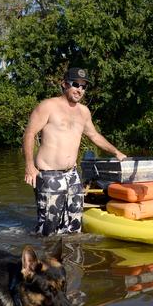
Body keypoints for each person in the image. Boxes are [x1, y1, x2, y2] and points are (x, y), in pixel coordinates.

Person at [23, 67, 126, 236]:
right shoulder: (48, 106)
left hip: (72, 175)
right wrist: (29, 166)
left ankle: (72, 260)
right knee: (47, 230)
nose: (80, 89)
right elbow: (29, 133)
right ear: (64, 84)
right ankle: (42, 258)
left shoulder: (84, 112)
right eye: (76, 84)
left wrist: (117, 153)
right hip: (49, 174)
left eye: (84, 86)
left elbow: (94, 135)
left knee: (74, 225)